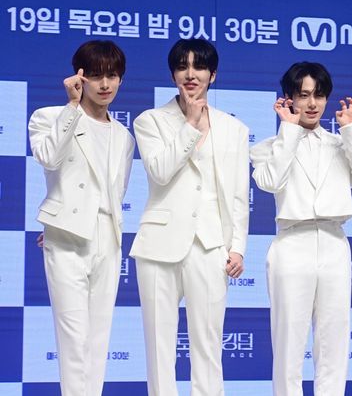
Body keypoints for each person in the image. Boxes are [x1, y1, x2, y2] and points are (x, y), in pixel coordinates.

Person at [250, 62, 352, 396]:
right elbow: (270, 181)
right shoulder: (268, 146)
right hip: (291, 244)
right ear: (288, 98)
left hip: (335, 243)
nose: (312, 104)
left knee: (334, 342)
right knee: (289, 343)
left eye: (319, 95)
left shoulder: (342, 143)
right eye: (303, 95)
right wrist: (289, 130)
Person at [129, 38, 249, 396]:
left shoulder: (234, 129)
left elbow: (239, 194)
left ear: (213, 74)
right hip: (158, 246)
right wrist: (191, 125)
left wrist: (237, 247)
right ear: (172, 75)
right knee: (158, 346)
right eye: (183, 67)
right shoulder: (150, 121)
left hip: (210, 245)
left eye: (199, 67)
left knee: (208, 346)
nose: (191, 74)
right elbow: (160, 171)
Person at [28, 40, 134, 396]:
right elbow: (48, 158)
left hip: (108, 236)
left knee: (98, 337)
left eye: (112, 76)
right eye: (97, 75)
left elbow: (116, 192)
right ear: (80, 77)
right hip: (67, 238)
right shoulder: (49, 117)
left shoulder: (124, 136)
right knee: (73, 336)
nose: (105, 84)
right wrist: (72, 107)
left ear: (120, 80)